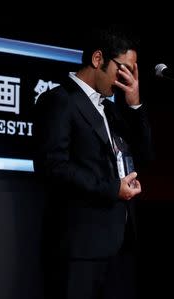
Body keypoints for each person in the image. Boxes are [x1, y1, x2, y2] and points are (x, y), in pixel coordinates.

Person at [33, 26, 154, 299]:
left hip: (120, 246)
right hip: (79, 250)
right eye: (122, 69)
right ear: (98, 59)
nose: (126, 78)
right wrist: (112, 189)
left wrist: (134, 104)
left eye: (131, 72)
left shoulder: (112, 110)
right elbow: (51, 167)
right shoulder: (60, 101)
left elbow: (144, 155)